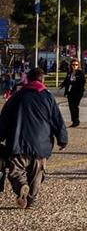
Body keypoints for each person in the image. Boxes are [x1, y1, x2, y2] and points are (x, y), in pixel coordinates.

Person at [0, 68, 67, 208]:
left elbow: (4, 118)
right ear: (42, 80)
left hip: (18, 141)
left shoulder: (17, 96)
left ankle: (22, 186)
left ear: (28, 80)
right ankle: (31, 200)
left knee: (16, 171)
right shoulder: (48, 97)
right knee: (37, 173)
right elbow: (57, 120)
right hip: (41, 144)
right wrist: (62, 139)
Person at [61, 59, 86, 128]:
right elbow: (66, 80)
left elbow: (83, 82)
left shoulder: (80, 73)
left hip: (77, 92)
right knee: (71, 106)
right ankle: (73, 120)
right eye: (73, 65)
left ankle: (76, 120)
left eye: (76, 65)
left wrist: (75, 81)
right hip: (70, 92)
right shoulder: (69, 72)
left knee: (75, 106)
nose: (74, 66)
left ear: (78, 65)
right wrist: (62, 85)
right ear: (71, 65)